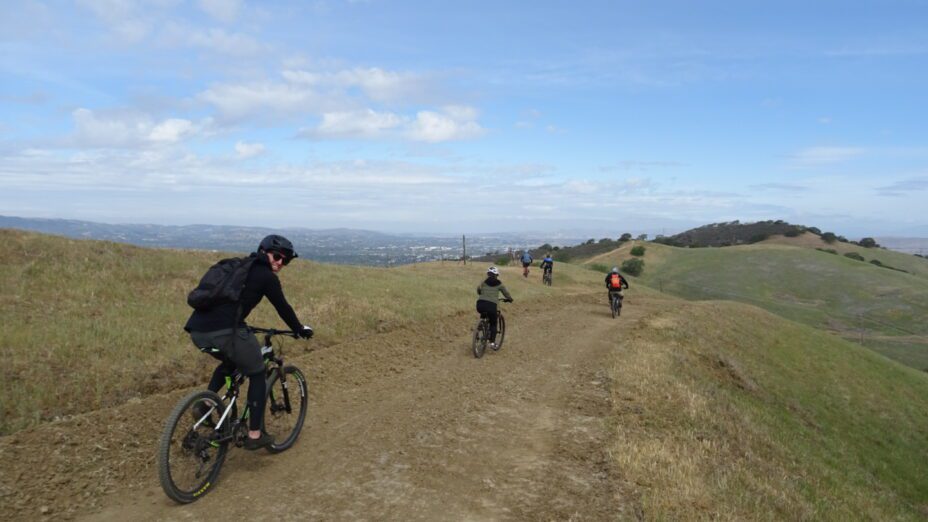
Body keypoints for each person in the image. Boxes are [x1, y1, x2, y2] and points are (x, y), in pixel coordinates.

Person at [184, 234, 313, 450]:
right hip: (224, 330)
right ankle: (255, 434)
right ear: (264, 252)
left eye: (286, 260)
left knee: (229, 363)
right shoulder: (266, 276)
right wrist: (299, 329)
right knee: (257, 371)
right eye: (277, 256)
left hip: (197, 329)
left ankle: (205, 405)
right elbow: (283, 307)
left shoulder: (239, 267)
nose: (280, 263)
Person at [477, 266, 513, 349]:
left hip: (480, 304)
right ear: (496, 275)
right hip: (492, 305)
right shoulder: (499, 283)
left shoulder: (483, 281)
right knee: (493, 323)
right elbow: (506, 293)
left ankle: (481, 326)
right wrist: (510, 299)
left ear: (488, 274)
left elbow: (478, 289)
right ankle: (492, 343)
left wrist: (481, 294)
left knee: (483, 312)